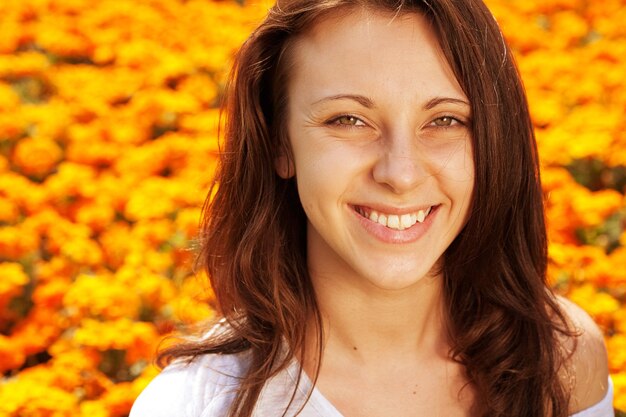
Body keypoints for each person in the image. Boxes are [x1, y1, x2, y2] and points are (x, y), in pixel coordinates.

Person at [130, 0, 613, 416]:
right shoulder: (197, 405)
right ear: (280, 141)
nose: (400, 174)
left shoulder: (560, 357)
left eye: (444, 119)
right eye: (349, 119)